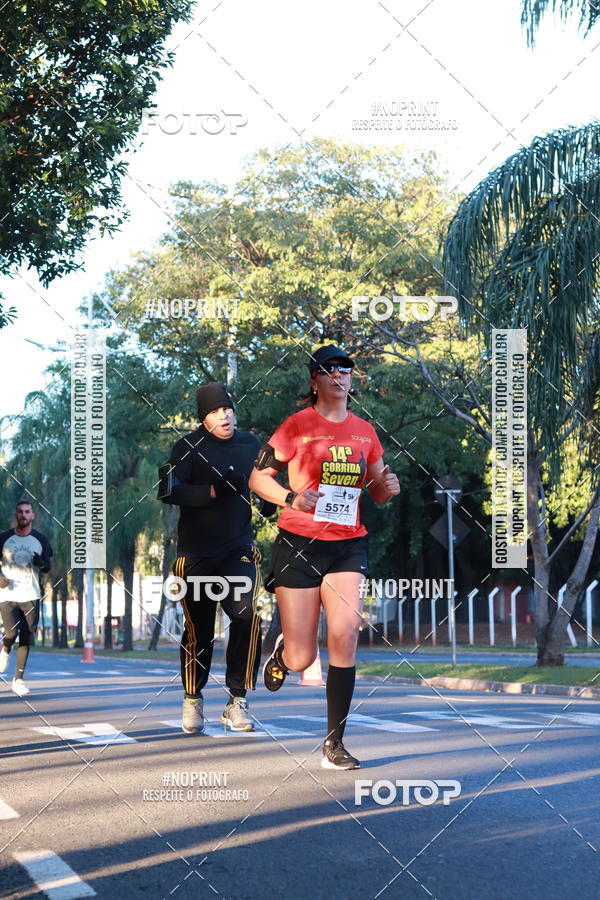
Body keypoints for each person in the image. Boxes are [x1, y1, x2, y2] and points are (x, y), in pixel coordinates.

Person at [249, 345, 400, 770]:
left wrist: (386, 490)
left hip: (348, 543)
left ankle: (334, 743)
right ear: (314, 379)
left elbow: (376, 490)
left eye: (346, 368)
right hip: (299, 543)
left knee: (346, 634)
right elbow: (257, 477)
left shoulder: (364, 432)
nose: (340, 374)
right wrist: (292, 497)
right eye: (330, 369)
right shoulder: (297, 426)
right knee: (303, 658)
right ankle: (283, 654)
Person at [159, 382, 264, 734]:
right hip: (197, 555)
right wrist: (213, 491)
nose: (225, 415)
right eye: (216, 411)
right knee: (199, 631)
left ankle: (238, 699)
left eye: (228, 409)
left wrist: (272, 500)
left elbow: (266, 482)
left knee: (247, 616)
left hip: (238, 550)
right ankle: (193, 697)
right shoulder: (188, 446)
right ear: (204, 418)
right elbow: (168, 489)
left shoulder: (250, 444)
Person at [0, 500, 53, 696]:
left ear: (32, 516)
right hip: (7, 594)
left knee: (27, 635)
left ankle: (18, 680)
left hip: (30, 595)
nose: (23, 515)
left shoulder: (41, 539)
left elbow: (47, 567)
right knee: (11, 633)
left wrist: (41, 563)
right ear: (16, 515)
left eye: (27, 512)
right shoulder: (4, 538)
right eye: (20, 511)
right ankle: (5, 649)